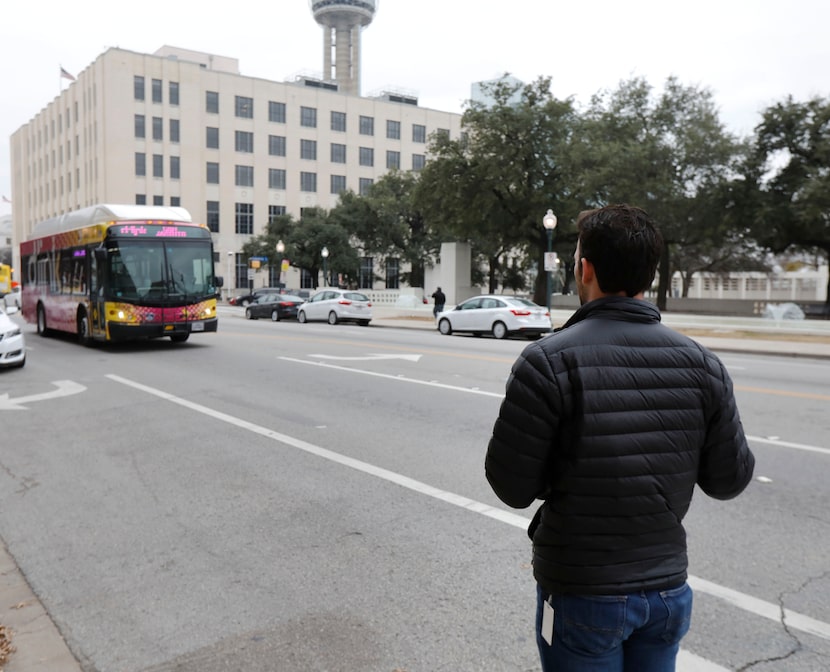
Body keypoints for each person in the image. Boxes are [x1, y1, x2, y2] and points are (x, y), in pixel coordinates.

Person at [485, 204, 755, 671]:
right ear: (648, 275)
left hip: (582, 594)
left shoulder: (548, 361)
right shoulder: (703, 363)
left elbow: (511, 486)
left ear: (584, 270)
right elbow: (729, 479)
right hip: (668, 593)